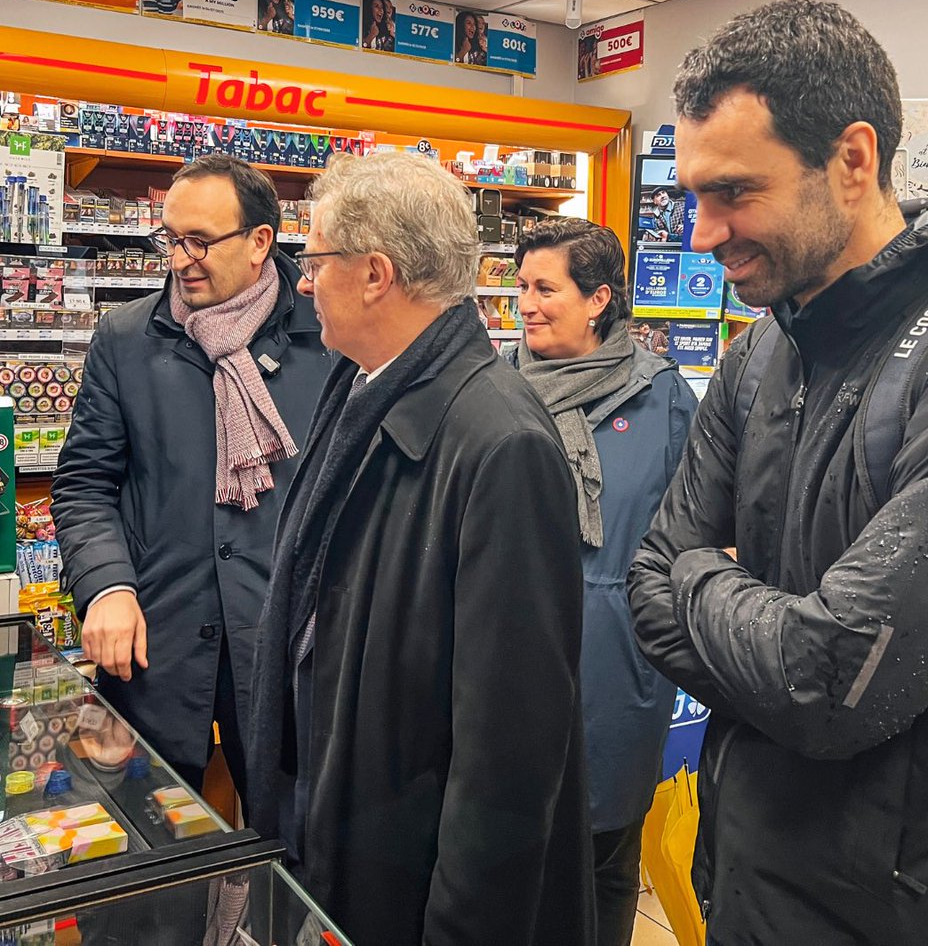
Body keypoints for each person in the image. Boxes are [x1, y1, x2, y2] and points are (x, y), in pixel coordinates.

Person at [628, 0, 928, 946]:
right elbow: (647, 582)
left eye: (733, 191)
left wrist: (704, 576)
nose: (701, 233)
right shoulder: (760, 351)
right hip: (743, 878)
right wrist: (724, 591)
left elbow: (832, 680)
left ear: (852, 161)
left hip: (894, 909)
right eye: (693, 196)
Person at [248, 152, 594, 946]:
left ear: (376, 274)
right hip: (347, 835)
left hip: (410, 881)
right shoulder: (362, 389)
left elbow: (509, 754)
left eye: (318, 257)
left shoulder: (501, 444)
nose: (304, 280)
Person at [53, 155, 328, 806]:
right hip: (155, 643)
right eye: (170, 239)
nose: (180, 259)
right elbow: (85, 482)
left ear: (261, 241)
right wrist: (106, 586)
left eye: (200, 241)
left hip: (285, 647)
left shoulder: (329, 337)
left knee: (290, 850)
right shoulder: (126, 337)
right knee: (139, 853)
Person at [507, 217, 697, 946]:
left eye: (545, 288)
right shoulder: (496, 387)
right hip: (511, 648)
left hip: (617, 658)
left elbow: (694, 528)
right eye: (521, 286)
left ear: (598, 299)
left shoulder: (664, 399)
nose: (525, 303)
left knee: (606, 854)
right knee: (513, 844)